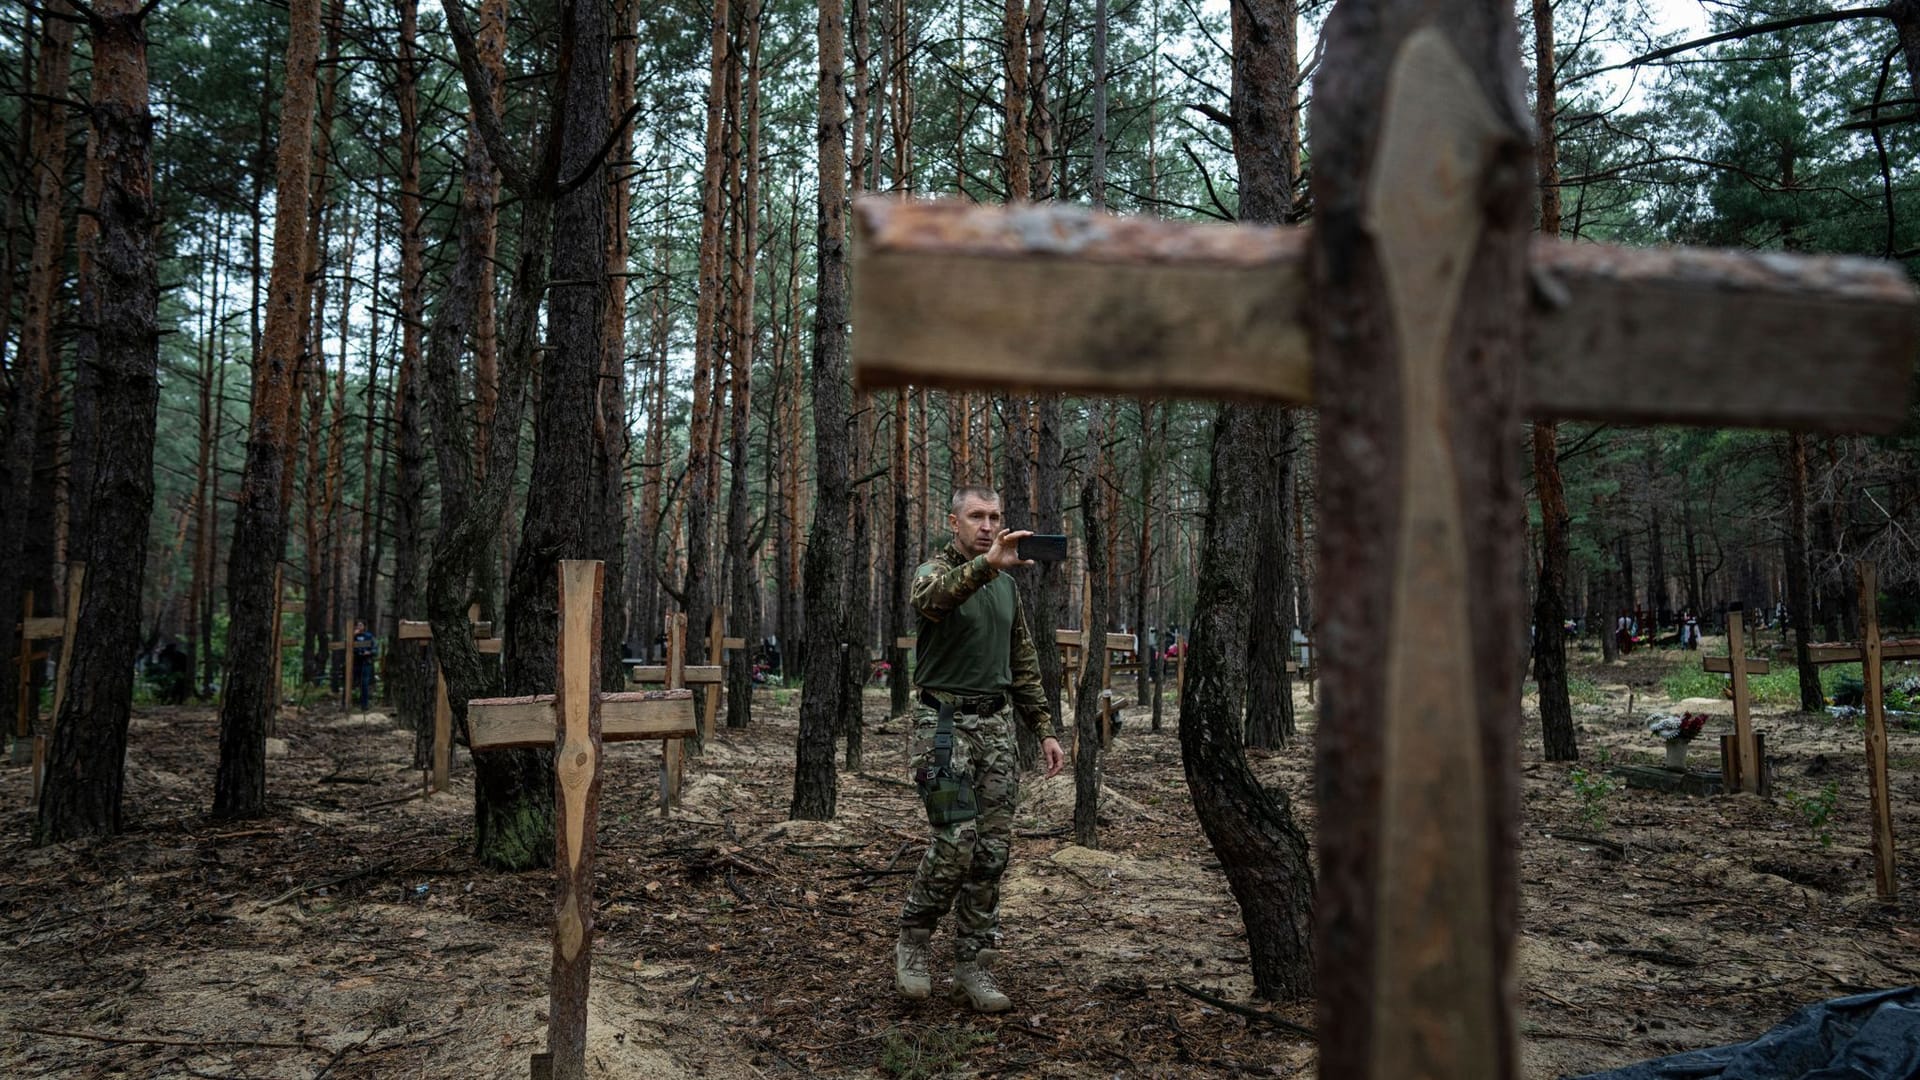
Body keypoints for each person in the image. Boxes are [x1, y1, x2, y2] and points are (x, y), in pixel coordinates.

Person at [895, 485, 1064, 1013]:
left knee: (992, 852)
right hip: (942, 727)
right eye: (976, 516)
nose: (988, 525)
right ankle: (914, 941)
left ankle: (972, 963)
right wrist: (987, 566)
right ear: (955, 522)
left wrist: (1044, 728)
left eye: (995, 516)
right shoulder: (933, 572)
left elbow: (1024, 662)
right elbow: (933, 601)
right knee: (955, 840)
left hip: (995, 729)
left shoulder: (1007, 588)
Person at [350, 619, 377, 709]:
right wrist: (353, 635)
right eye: (358, 625)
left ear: (364, 626)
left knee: (364, 683)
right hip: (355, 662)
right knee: (351, 683)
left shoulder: (369, 636)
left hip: (366, 662)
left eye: (361, 625)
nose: (359, 627)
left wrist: (369, 652)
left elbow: (375, 648)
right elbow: (347, 645)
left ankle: (364, 705)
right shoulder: (353, 636)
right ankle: (347, 704)